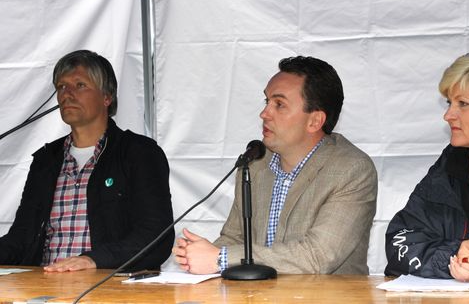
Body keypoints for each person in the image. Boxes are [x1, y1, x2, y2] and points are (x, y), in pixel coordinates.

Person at [174, 56, 377, 275]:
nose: (264, 114)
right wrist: (202, 253)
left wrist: (220, 258)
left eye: (279, 104)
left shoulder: (352, 170)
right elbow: (236, 237)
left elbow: (317, 256)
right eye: (267, 101)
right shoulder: (254, 164)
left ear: (315, 121)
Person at [0, 50, 174, 272]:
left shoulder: (140, 154)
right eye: (62, 86)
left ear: (107, 97)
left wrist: (94, 259)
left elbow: (156, 236)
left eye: (80, 85)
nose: (67, 94)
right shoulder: (45, 160)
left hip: (108, 288)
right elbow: (20, 240)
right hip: (44, 288)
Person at [385, 48, 469, 282]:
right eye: (450, 102)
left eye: (463, 104)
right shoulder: (449, 169)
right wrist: (454, 258)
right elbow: (401, 240)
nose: (448, 115)